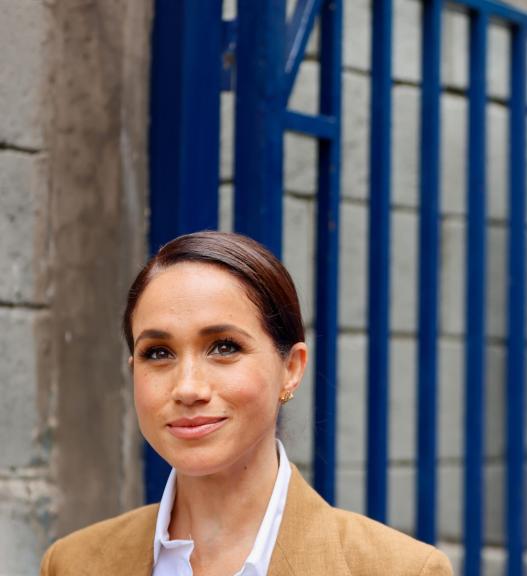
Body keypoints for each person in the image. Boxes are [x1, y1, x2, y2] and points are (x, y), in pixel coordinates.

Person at [40, 231, 452, 576]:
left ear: (291, 368)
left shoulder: (400, 569)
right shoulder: (73, 563)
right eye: (159, 353)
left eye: (224, 347)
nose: (187, 388)